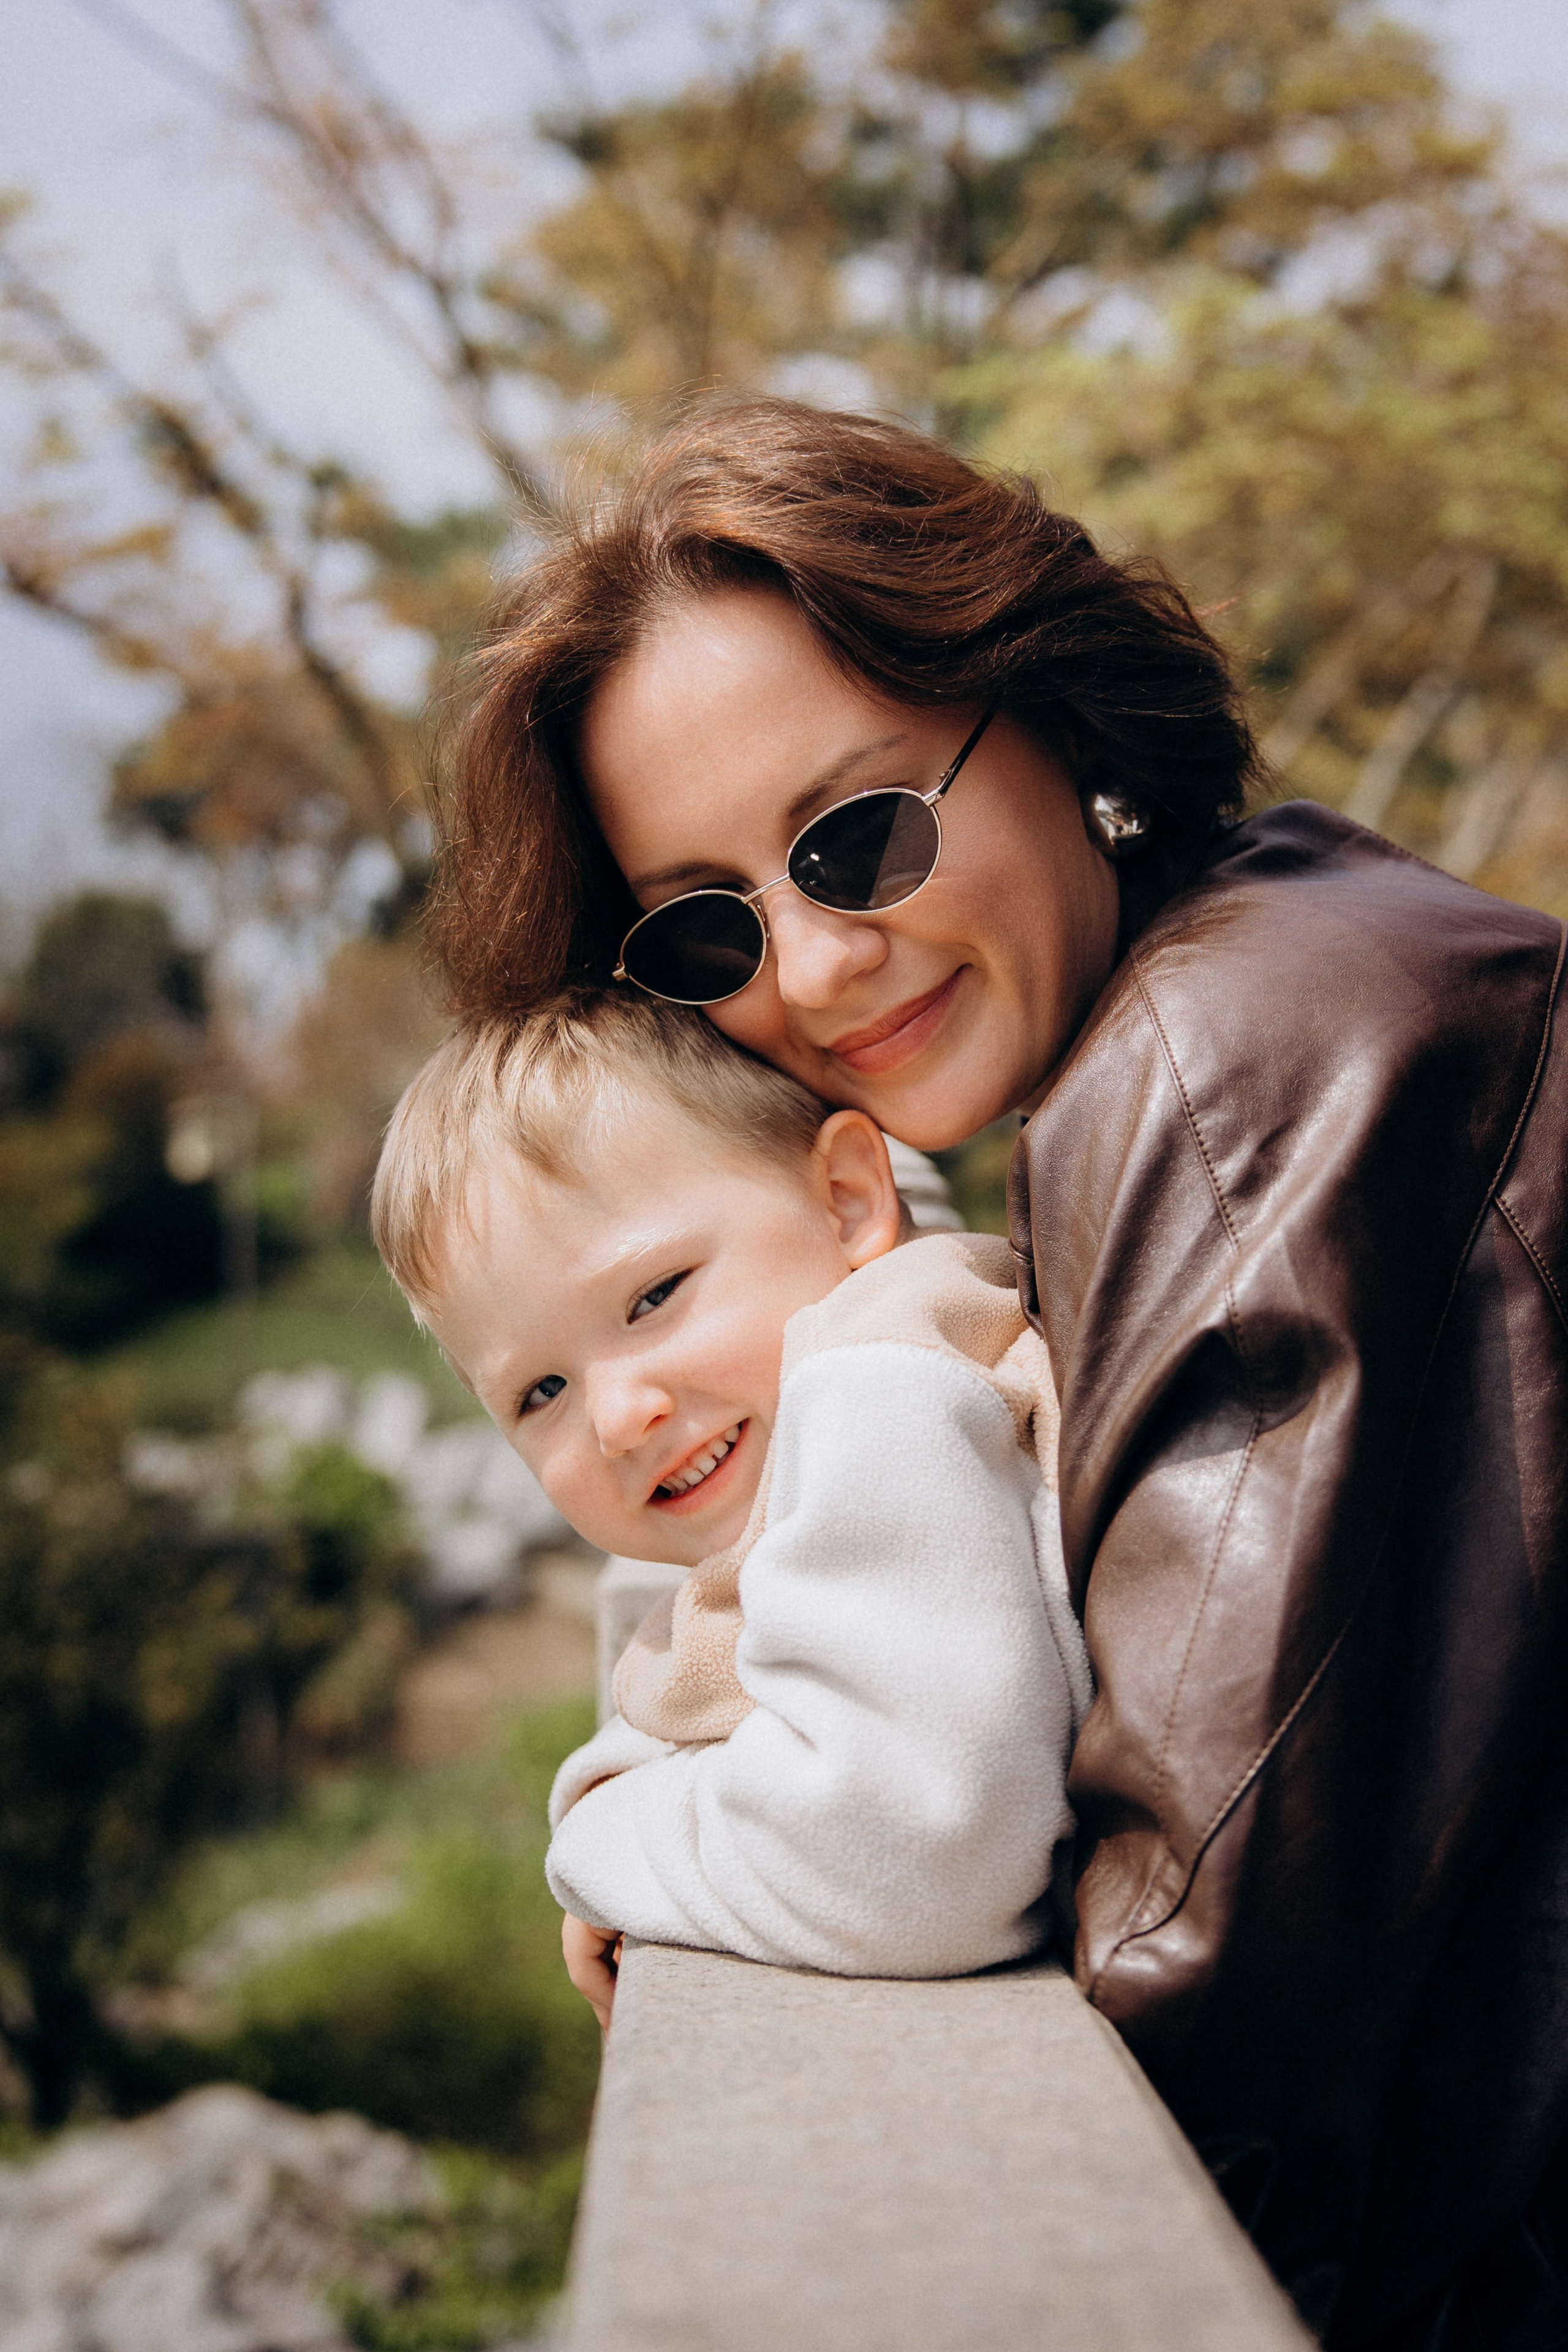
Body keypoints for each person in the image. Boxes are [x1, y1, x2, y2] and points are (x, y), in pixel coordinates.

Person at [423, 398, 1568, 2351]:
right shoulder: (1290, 932)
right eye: (707, 925)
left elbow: (1199, 1972)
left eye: (858, 832)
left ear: (1044, 704)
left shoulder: (1216, 1073)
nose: (815, 962)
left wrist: (638, 1834)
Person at [370, 992, 1091, 2030]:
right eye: (540, 1393)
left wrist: (606, 1845)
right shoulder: (844, 1418)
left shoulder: (882, 1391)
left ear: (848, 1200)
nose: (618, 1417)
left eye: (655, 1297)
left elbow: (914, 1859)